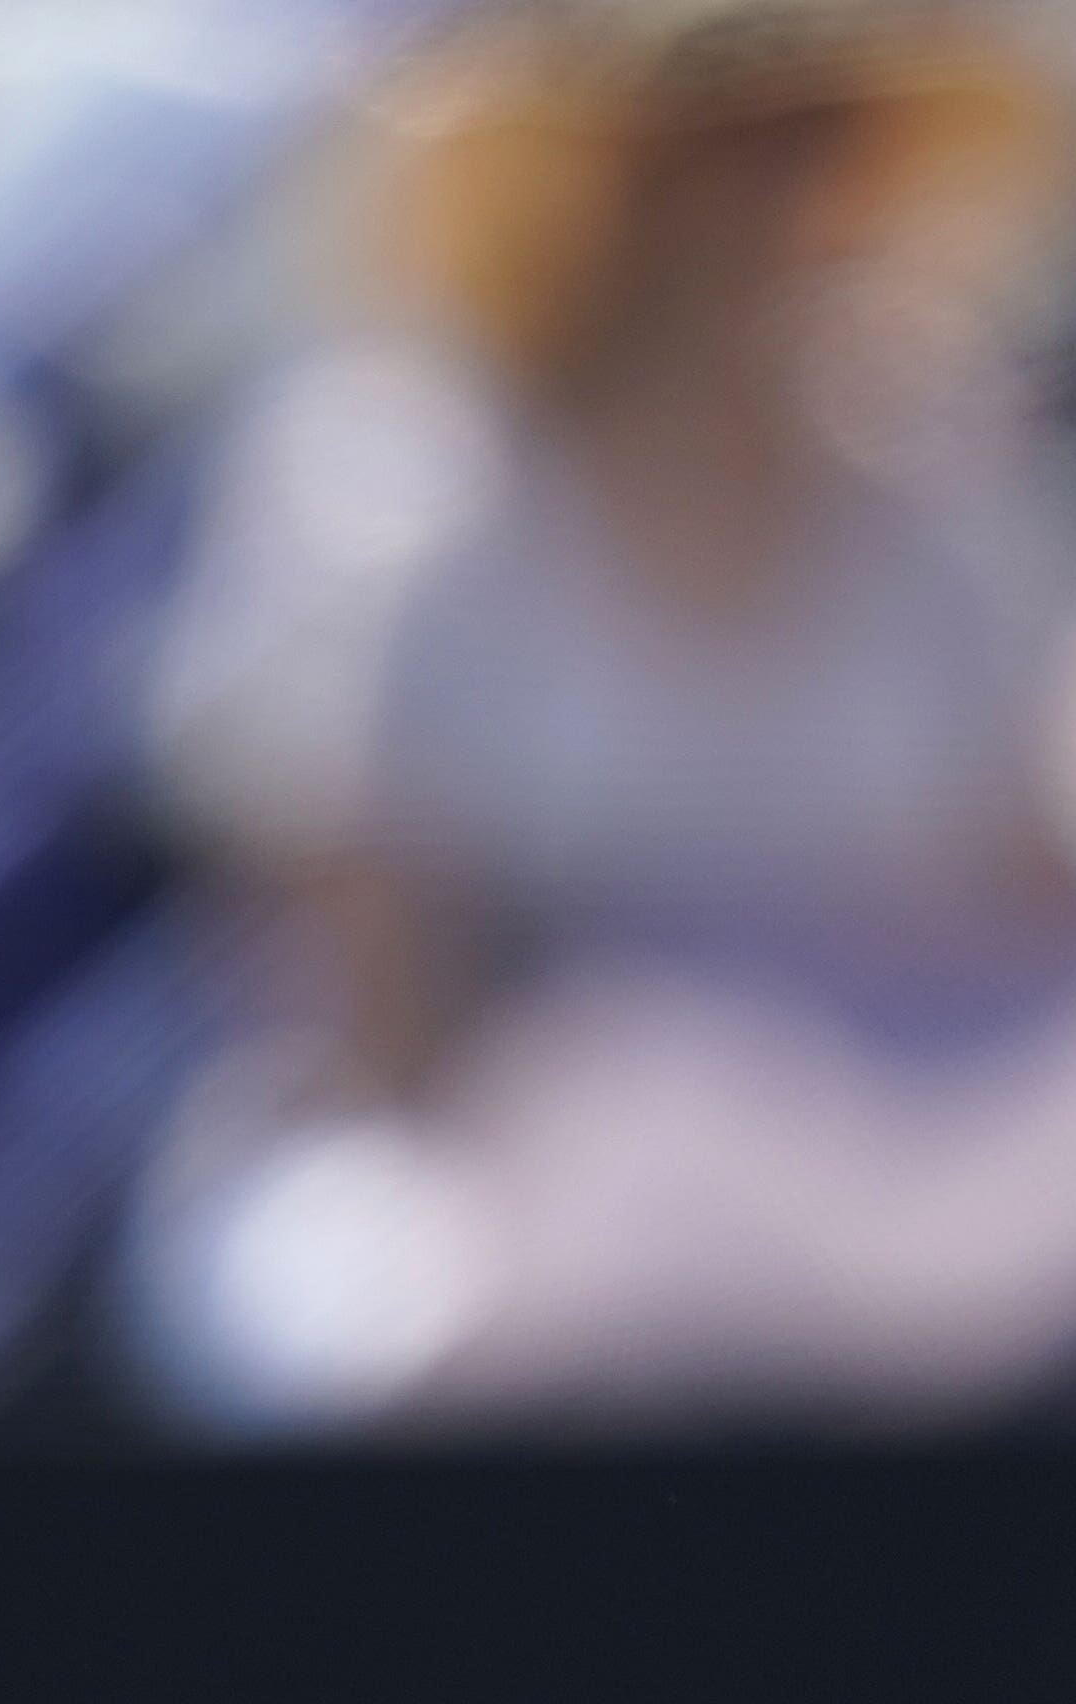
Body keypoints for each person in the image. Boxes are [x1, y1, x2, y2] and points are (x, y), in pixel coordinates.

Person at [132, 0, 1076, 1430]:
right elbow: (371, 1000)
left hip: (927, 1146)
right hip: (486, 1149)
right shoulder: (387, 489)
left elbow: (1016, 902)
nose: (782, 189)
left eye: (819, 134)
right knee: (342, 1299)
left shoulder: (938, 474)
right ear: (606, 175)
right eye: (725, 144)